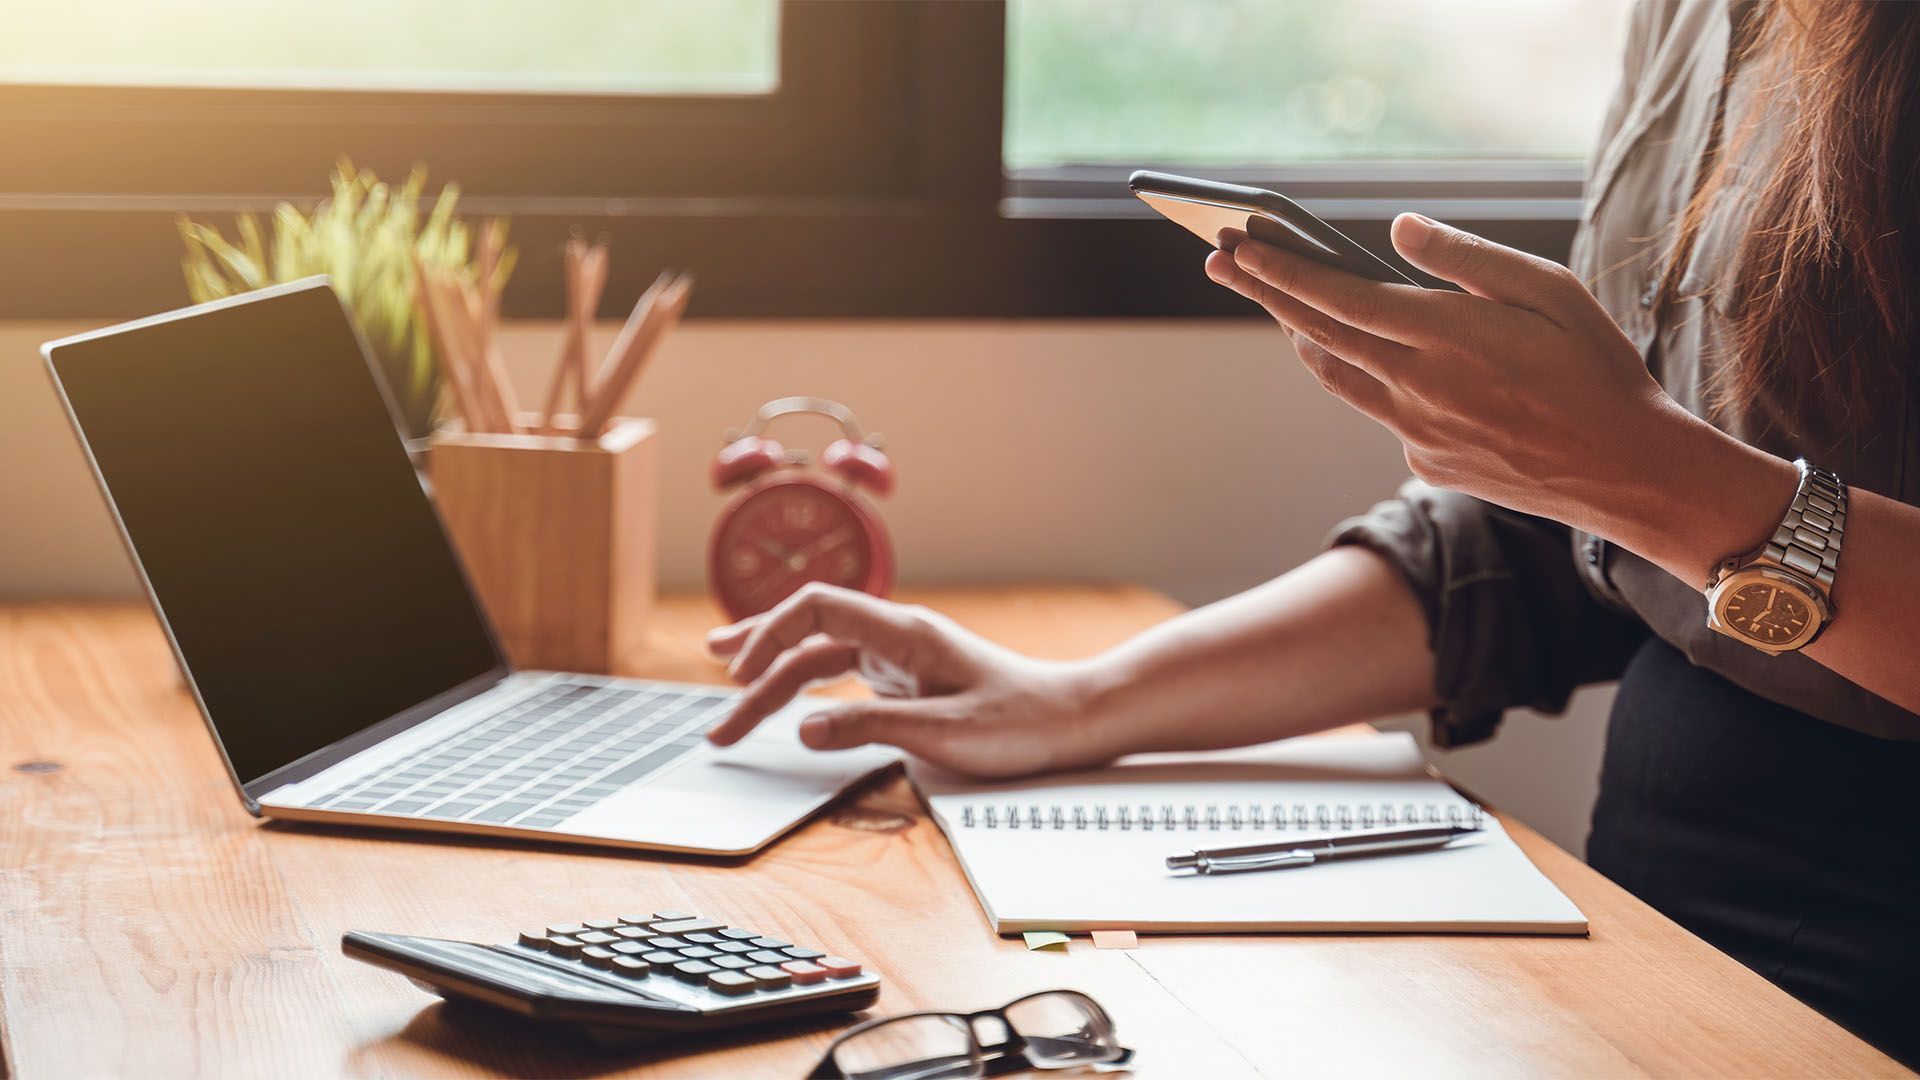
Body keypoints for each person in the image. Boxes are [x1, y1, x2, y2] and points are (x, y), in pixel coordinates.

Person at [705, 0, 1920, 1064]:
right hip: (1667, 953)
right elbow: (1577, 548)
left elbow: (1663, 492)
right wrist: (1078, 703)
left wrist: (1654, 480)